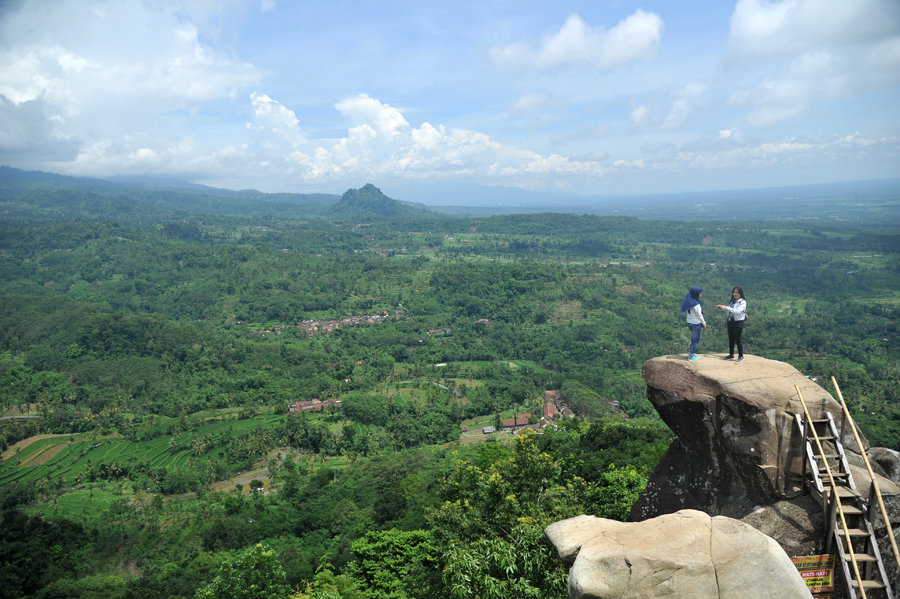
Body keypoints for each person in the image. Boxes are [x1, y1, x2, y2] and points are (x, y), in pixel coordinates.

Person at [717, 286, 747, 362]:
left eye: (737, 292)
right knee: (731, 338)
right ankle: (731, 354)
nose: (735, 294)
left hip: (738, 322)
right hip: (730, 321)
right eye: (734, 292)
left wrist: (726, 307)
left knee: (738, 339)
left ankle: (741, 355)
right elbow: (730, 310)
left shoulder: (742, 302)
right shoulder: (732, 301)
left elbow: (737, 311)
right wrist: (723, 307)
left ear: (740, 293)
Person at [680, 286, 706, 360]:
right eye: (700, 293)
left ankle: (692, 352)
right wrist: (704, 324)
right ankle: (691, 355)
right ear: (696, 294)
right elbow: (699, 315)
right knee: (695, 340)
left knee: (697, 337)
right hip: (696, 324)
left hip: (690, 323)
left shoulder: (689, 302)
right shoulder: (696, 304)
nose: (701, 294)